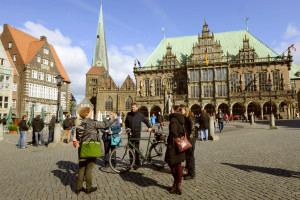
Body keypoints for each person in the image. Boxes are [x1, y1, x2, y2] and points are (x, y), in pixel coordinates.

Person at [75, 107, 116, 195]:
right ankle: (89, 188)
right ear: (87, 114)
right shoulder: (92, 123)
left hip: (82, 148)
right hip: (91, 147)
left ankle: (78, 188)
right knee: (89, 168)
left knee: (82, 168)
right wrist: (114, 119)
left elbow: (78, 137)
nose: (92, 113)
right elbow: (105, 125)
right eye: (91, 112)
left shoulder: (80, 123)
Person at [165, 105, 186, 195]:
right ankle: (178, 184)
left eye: (171, 109)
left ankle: (176, 184)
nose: (170, 111)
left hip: (174, 144)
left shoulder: (173, 119)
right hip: (181, 142)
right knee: (178, 164)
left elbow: (173, 132)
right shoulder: (182, 119)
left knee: (172, 163)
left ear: (174, 110)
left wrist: (170, 139)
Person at [125, 103, 152, 170]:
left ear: (137, 108)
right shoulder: (128, 115)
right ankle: (131, 162)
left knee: (137, 149)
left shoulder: (140, 115)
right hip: (130, 134)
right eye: (132, 107)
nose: (132, 108)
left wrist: (150, 127)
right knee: (130, 149)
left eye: (134, 107)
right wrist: (126, 128)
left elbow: (146, 121)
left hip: (137, 133)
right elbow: (126, 123)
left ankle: (137, 162)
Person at [181, 106, 195, 180]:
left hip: (190, 139)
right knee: (187, 156)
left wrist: (189, 140)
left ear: (185, 110)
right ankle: (189, 172)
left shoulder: (190, 118)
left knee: (190, 157)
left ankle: (192, 174)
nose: (181, 110)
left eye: (182, 109)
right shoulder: (185, 118)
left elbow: (193, 130)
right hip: (187, 139)